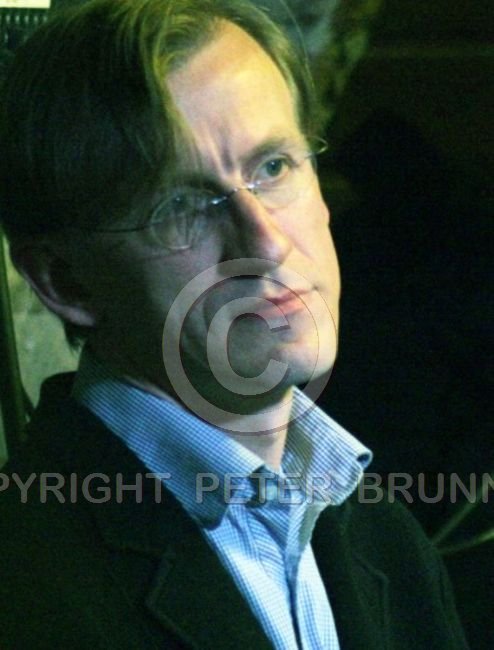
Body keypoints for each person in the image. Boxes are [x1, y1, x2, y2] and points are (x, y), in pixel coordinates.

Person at [0, 1, 468, 648]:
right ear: (65, 283)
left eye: (273, 167)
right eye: (183, 205)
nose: (268, 243)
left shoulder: (387, 540)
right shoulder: (25, 587)